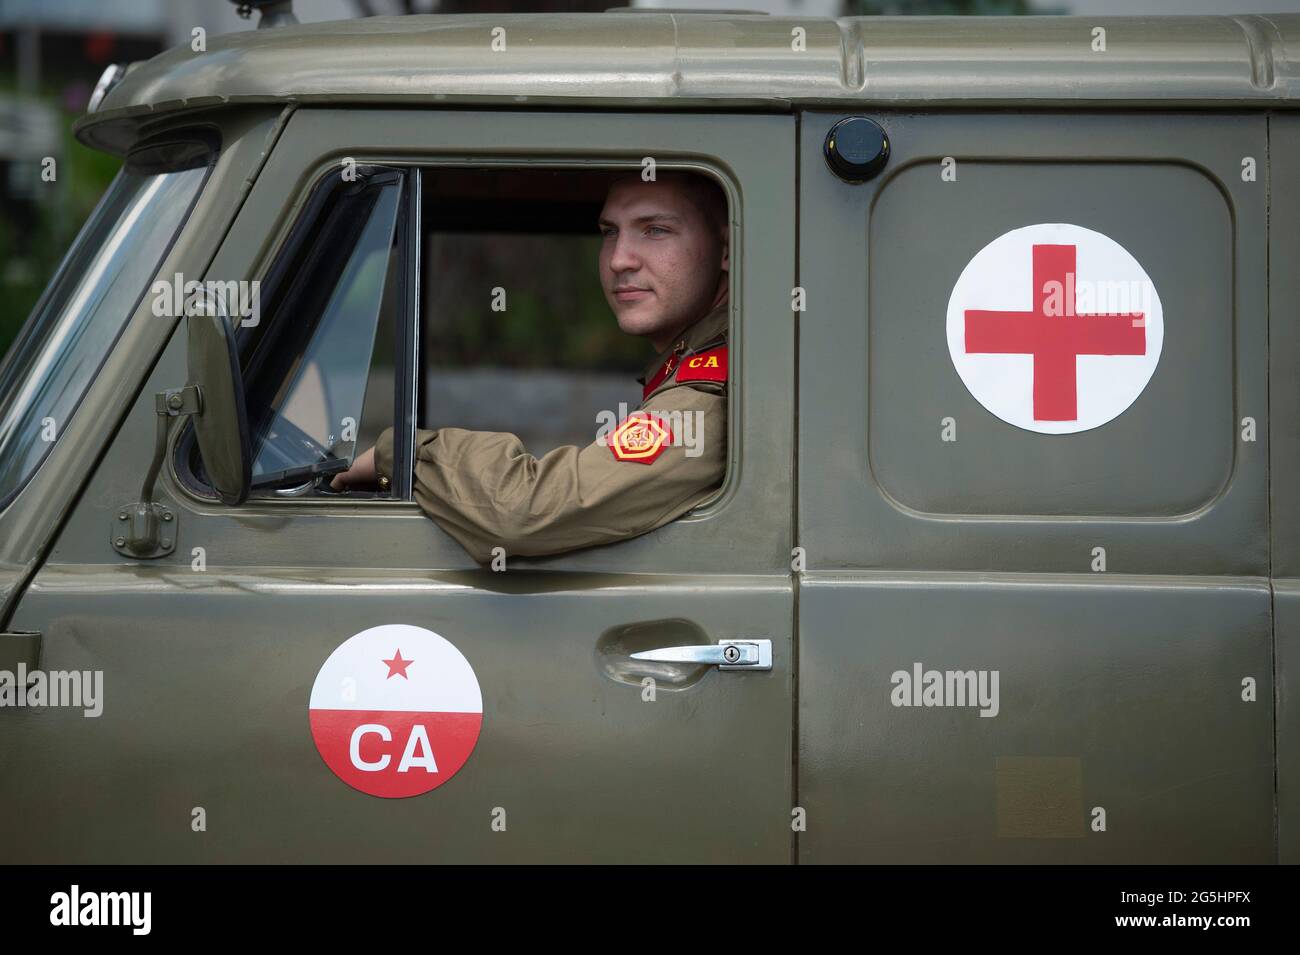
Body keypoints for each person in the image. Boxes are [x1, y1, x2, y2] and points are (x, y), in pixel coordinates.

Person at [331, 171, 730, 562]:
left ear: (727, 249)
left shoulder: (711, 396)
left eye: (655, 230)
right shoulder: (691, 368)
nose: (619, 259)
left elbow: (524, 511)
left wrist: (402, 454)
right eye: (609, 231)